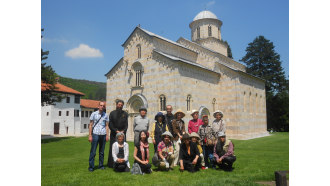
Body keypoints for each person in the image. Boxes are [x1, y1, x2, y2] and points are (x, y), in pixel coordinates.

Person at [88, 102, 109, 172]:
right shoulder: (93, 114)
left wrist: (107, 135)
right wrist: (90, 135)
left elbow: (106, 126)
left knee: (102, 152)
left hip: (103, 134)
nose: (102, 107)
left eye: (103, 106)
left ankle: (101, 165)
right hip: (95, 134)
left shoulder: (106, 115)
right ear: (98, 106)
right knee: (93, 151)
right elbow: (90, 125)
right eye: (101, 105)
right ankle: (91, 166)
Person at [108, 100, 128, 168]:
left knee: (123, 149)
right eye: (119, 104)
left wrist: (123, 131)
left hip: (122, 134)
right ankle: (112, 164)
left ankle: (123, 162)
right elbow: (110, 124)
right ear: (116, 105)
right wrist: (115, 130)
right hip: (114, 134)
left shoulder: (125, 114)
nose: (120, 106)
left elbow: (126, 125)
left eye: (121, 105)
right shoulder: (112, 113)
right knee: (113, 148)